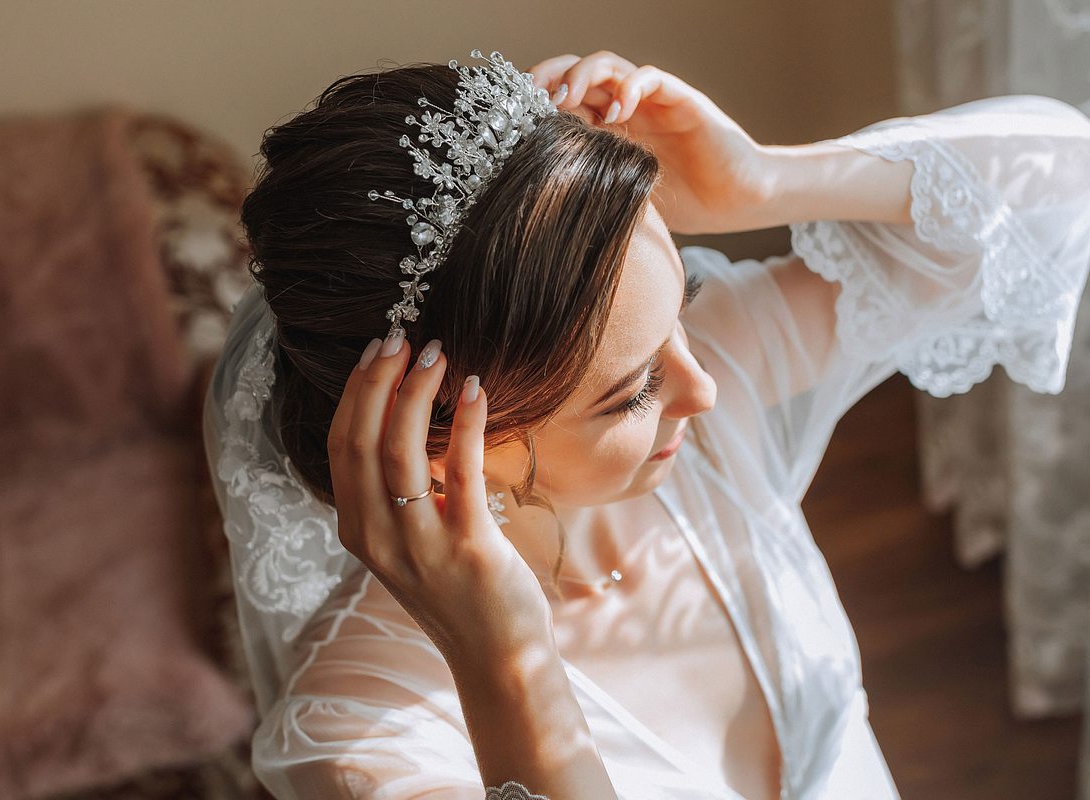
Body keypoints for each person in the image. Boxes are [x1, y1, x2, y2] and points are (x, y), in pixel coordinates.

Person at [203, 48, 1090, 800]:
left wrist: (764, 180)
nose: (702, 388)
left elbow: (1061, 183)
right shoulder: (362, 735)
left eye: (687, 305)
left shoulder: (709, 402)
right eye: (629, 393)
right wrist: (510, 668)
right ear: (439, 450)